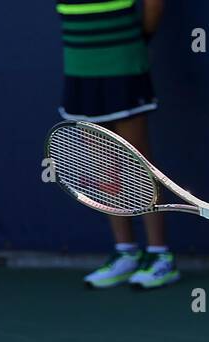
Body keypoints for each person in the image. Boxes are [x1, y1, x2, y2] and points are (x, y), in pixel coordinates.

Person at [57, 0, 179, 290]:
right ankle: (126, 251)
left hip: (122, 58)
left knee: (140, 163)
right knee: (102, 165)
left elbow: (154, 3)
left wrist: (139, 39)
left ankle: (160, 256)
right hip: (79, 62)